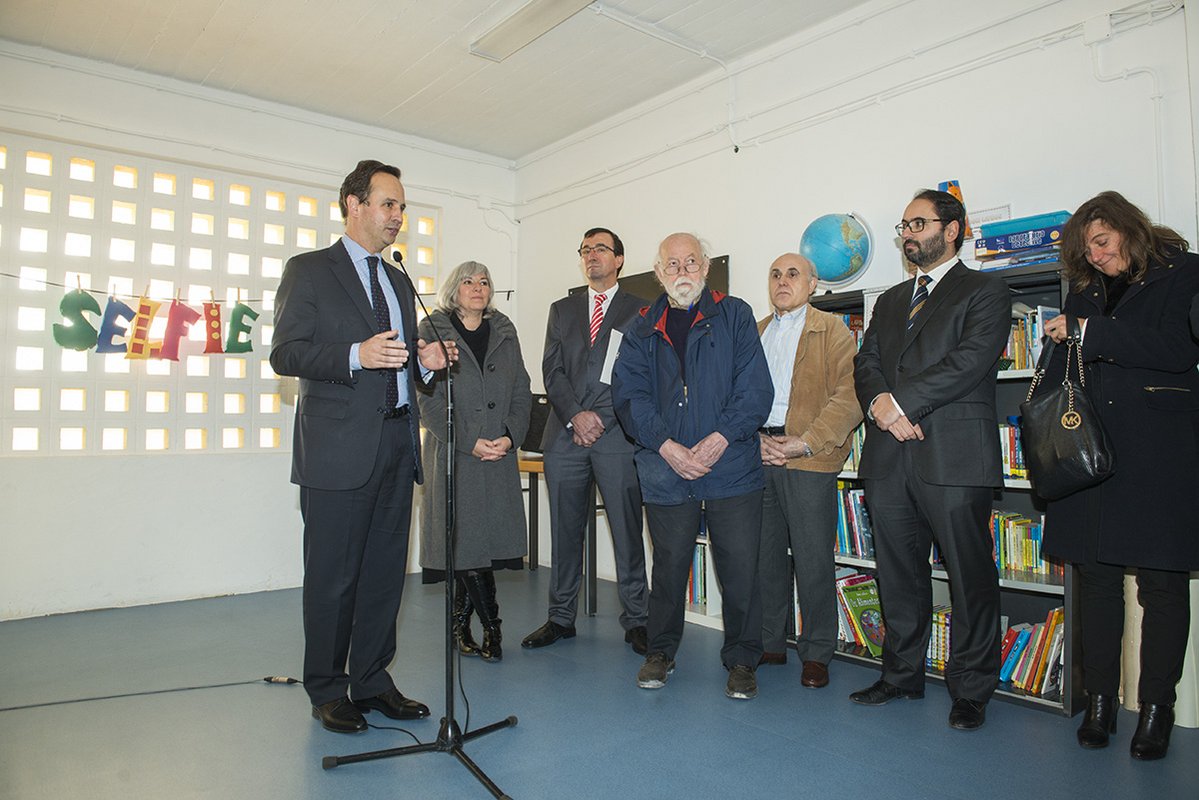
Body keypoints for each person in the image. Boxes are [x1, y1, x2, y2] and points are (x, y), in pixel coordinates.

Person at [270, 159, 457, 734]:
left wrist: (426, 363)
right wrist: (356, 354)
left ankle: (373, 681)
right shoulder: (309, 271)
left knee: (383, 576)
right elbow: (286, 353)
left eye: (402, 207)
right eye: (388, 204)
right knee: (333, 578)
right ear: (354, 205)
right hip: (336, 452)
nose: (398, 217)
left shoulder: (398, 279)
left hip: (398, 444)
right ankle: (327, 689)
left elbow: (400, 361)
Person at [1038, 190, 1199, 760]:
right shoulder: (1084, 289)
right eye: (1088, 249)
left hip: (1158, 452)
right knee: (1097, 582)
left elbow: (1179, 350)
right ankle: (1100, 703)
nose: (1097, 256)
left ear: (1129, 228)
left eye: (1103, 242)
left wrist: (1091, 333)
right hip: (1088, 452)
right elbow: (1067, 366)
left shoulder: (1184, 271)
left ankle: (1156, 709)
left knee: (1162, 586)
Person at [850, 189, 1010, 730]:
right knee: (898, 574)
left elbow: (970, 361)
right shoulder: (891, 299)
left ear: (953, 228)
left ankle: (972, 689)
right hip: (889, 455)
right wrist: (880, 405)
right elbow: (868, 361)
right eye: (904, 226)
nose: (908, 234)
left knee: (969, 576)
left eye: (918, 223)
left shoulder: (986, 290)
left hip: (955, 455)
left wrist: (900, 404)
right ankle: (901, 675)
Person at [612, 232, 773, 700]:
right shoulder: (640, 327)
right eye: (672, 264)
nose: (682, 271)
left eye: (690, 262)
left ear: (705, 267)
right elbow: (629, 396)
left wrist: (720, 438)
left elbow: (755, 389)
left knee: (740, 569)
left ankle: (742, 659)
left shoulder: (735, 315)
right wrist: (666, 446)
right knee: (668, 569)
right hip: (666, 469)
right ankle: (659, 652)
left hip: (731, 465)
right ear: (658, 273)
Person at [522, 228, 649, 654]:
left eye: (601, 249)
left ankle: (637, 619)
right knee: (564, 532)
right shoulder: (562, 310)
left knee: (627, 531)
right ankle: (561, 617)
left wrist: (602, 417)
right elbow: (552, 370)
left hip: (617, 437)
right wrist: (576, 415)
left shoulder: (642, 310)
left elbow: (639, 374)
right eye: (586, 250)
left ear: (619, 260)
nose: (592, 255)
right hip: (565, 437)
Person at [416, 261, 532, 663]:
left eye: (484, 281)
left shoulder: (504, 330)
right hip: (455, 455)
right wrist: (469, 441)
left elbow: (521, 389)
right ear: (454, 289)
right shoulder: (432, 329)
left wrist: (511, 436)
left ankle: (459, 626)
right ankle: (493, 630)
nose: (477, 287)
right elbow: (427, 401)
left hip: (498, 452)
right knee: (465, 544)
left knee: (477, 548)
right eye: (468, 281)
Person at [755, 253, 862, 688]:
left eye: (793, 274)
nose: (783, 281)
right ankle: (770, 643)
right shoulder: (756, 331)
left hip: (809, 457)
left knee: (812, 559)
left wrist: (805, 441)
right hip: (758, 454)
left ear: (813, 284)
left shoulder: (832, 330)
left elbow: (850, 395)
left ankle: (817, 652)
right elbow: (735, 392)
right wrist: (753, 439)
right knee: (764, 557)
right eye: (775, 274)